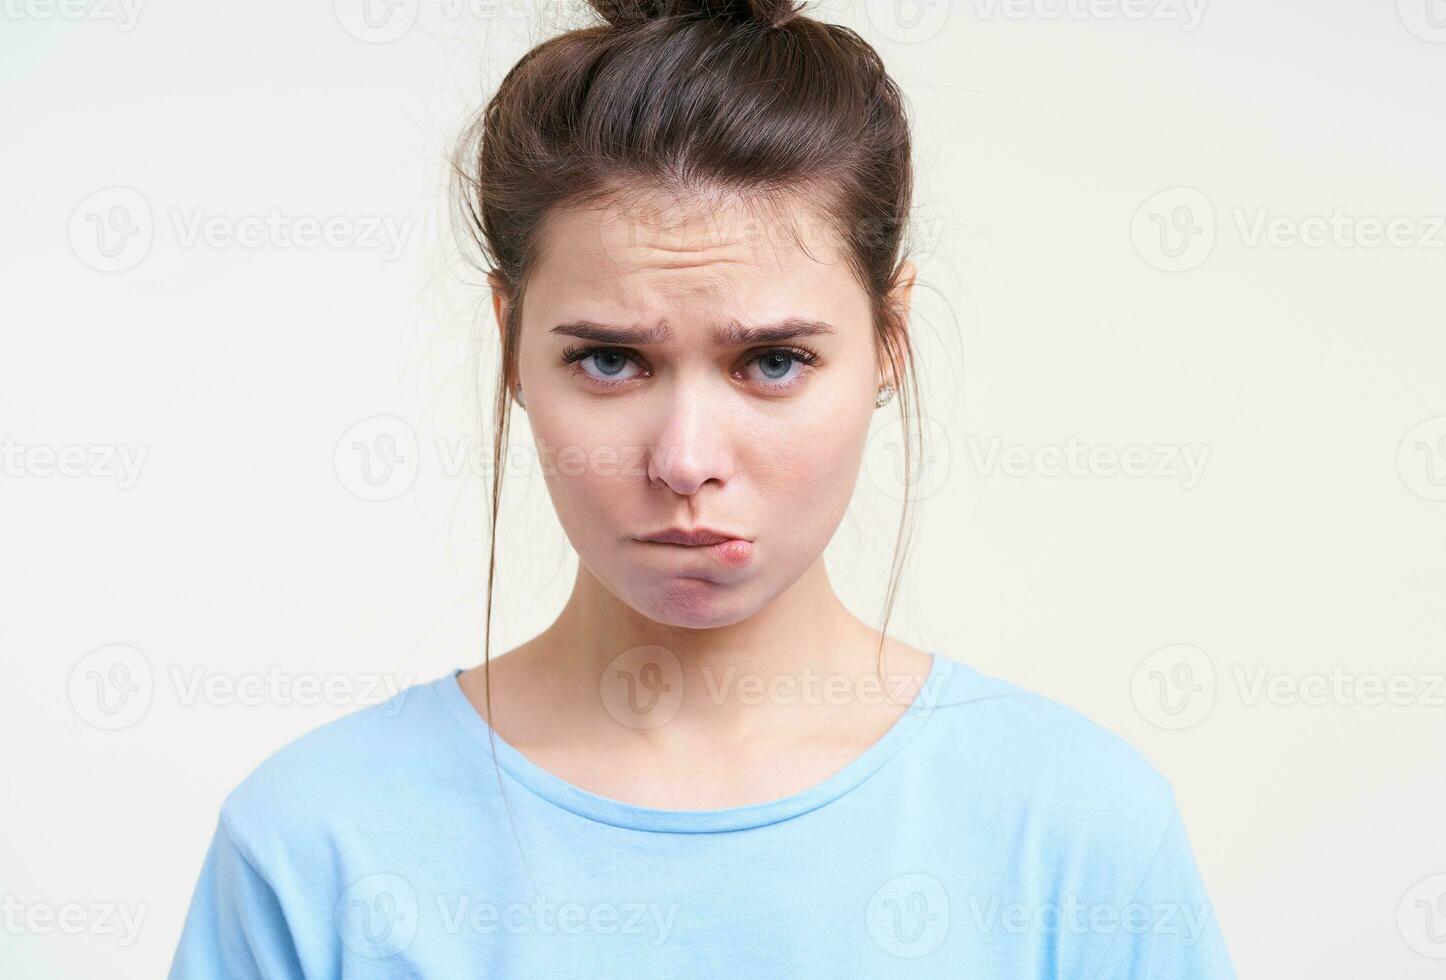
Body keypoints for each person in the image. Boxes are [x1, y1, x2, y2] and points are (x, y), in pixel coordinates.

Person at [169, 1, 1237, 975]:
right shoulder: (312, 849)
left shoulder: (1076, 835)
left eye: (771, 362)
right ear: (510, 344)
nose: (684, 460)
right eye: (609, 359)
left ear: (889, 342)